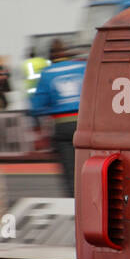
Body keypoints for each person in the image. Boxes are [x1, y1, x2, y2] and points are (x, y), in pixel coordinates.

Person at [28, 42, 86, 197]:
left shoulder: (47, 73)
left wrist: (39, 124)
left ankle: (75, 207)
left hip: (62, 126)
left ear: (51, 57)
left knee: (70, 173)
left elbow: (36, 106)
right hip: (85, 125)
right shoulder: (82, 67)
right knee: (89, 167)